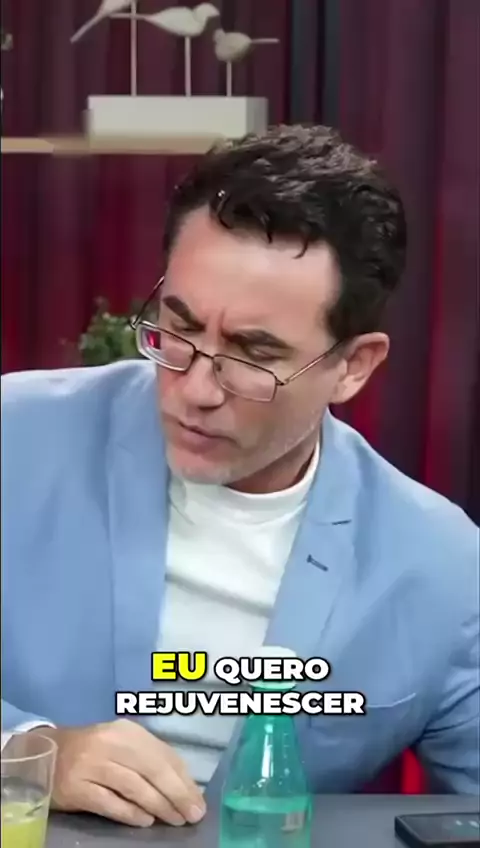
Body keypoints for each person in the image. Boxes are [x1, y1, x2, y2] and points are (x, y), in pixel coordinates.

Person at [1, 124, 478, 829]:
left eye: (253, 355)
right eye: (179, 328)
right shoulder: (15, 438)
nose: (195, 389)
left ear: (353, 367)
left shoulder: (438, 563)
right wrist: (25, 750)